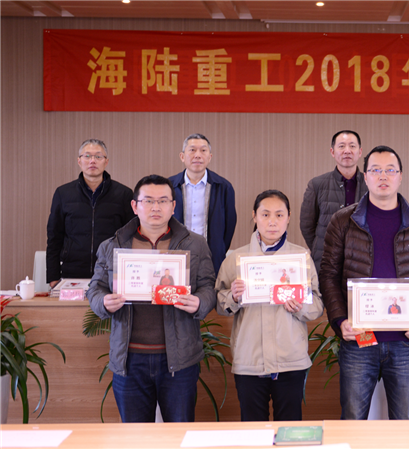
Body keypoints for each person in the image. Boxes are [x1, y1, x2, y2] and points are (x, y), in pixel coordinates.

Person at [319, 145, 409, 420]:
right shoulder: (343, 221)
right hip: (359, 338)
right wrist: (340, 320)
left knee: (404, 421)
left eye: (390, 170)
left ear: (400, 176)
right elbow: (328, 274)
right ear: (365, 176)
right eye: (376, 170)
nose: (383, 176)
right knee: (353, 419)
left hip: (404, 341)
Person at [87, 175, 216, 422]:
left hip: (178, 358)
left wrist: (200, 302)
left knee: (179, 433)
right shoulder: (113, 246)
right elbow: (95, 288)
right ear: (135, 206)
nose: (156, 207)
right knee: (136, 437)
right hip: (129, 359)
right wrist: (103, 302)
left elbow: (208, 286)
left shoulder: (195, 245)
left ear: (173, 206)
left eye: (163, 201)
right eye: (148, 201)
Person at [216, 190, 323, 421]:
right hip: (249, 360)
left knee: (289, 429)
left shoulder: (301, 258)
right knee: (253, 430)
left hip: (290, 359)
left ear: (289, 217)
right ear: (254, 216)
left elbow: (317, 305)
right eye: (265, 214)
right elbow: (219, 304)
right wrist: (234, 297)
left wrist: (300, 306)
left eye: (279, 215)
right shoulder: (235, 259)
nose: (272, 221)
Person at [46, 139, 134, 287]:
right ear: (79, 161)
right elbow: (54, 237)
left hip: (111, 273)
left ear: (106, 162)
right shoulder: (63, 193)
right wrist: (53, 277)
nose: (92, 161)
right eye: (87, 156)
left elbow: (131, 237)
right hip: (72, 272)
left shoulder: (123, 194)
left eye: (98, 156)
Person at [300, 130, 369, 273]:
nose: (347, 151)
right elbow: (307, 225)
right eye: (341, 146)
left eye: (352, 146)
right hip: (326, 261)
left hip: (362, 260)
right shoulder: (317, 184)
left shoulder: (371, 185)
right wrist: (320, 247)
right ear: (332, 152)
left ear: (360, 152)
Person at [169, 133, 236, 275]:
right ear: (182, 156)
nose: (198, 155)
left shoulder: (223, 187)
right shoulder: (168, 186)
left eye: (203, 150)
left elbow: (229, 226)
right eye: (192, 150)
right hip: (174, 257)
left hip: (210, 258)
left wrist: (218, 249)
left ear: (210, 157)